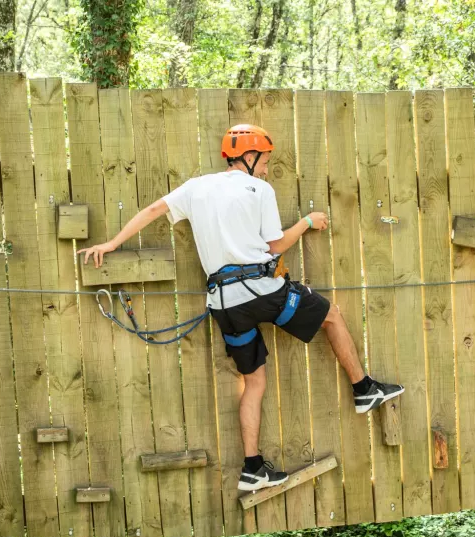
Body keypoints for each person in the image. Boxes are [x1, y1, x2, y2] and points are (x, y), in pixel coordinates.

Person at [79, 124, 404, 492]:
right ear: (249, 157)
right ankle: (364, 389)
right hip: (260, 289)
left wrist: (111, 243)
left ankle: (253, 469)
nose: (266, 168)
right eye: (265, 160)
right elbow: (276, 246)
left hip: (223, 304)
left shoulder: (195, 187)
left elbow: (154, 209)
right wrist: (308, 222)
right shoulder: (259, 189)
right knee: (331, 315)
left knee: (254, 381)